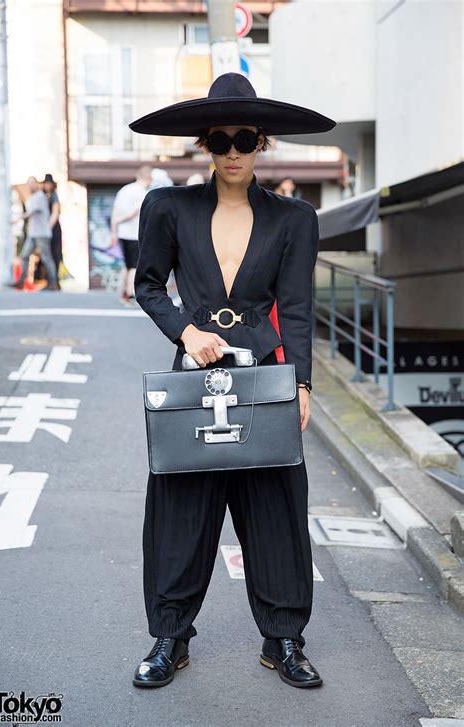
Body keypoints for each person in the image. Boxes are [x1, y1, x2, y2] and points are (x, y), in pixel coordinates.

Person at [129, 72, 336, 689]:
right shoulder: (169, 207)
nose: (234, 151)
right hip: (194, 378)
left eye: (245, 138)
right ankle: (170, 638)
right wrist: (185, 333)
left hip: (265, 376)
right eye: (221, 141)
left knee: (275, 506)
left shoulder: (294, 218)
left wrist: (300, 385)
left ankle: (285, 639)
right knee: (180, 507)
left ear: (263, 142)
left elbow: (296, 308)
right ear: (205, 146)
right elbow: (148, 285)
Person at [110, 166, 152, 302]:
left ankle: (123, 292)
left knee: (127, 265)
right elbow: (137, 212)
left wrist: (114, 231)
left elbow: (115, 211)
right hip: (134, 233)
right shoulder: (141, 192)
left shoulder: (124, 190)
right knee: (135, 265)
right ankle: (130, 294)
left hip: (122, 233)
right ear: (147, 178)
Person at [10, 176, 59, 291]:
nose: (30, 185)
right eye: (29, 183)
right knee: (25, 256)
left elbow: (31, 212)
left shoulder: (40, 196)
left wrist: (17, 219)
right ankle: (21, 282)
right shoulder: (31, 198)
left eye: (32, 183)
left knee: (47, 258)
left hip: (42, 233)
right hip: (33, 233)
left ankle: (53, 283)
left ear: (37, 184)